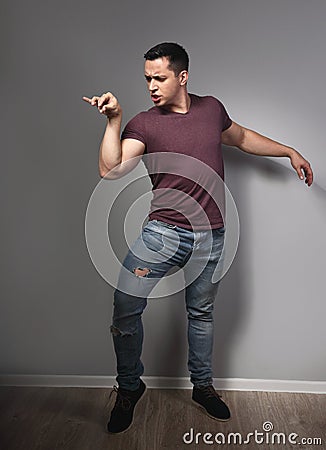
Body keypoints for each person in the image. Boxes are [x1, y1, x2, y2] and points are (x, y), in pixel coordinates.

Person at [83, 42, 313, 434]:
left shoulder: (211, 110)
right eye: (147, 79)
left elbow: (241, 137)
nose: (151, 86)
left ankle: (202, 387)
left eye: (159, 78)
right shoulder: (145, 123)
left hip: (213, 236)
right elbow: (111, 171)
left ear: (182, 76)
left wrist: (288, 151)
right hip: (162, 235)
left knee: (201, 314)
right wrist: (114, 120)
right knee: (125, 310)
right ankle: (128, 387)